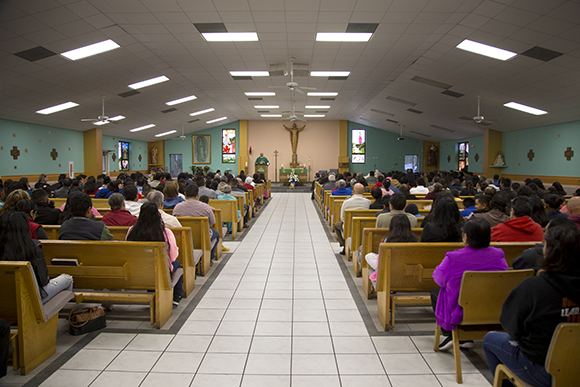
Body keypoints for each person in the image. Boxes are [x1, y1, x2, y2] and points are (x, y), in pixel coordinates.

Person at [483, 217, 580, 387]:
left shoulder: (535, 287)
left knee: (490, 339)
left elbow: (509, 324)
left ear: (548, 250)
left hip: (541, 367)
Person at [432, 218, 508, 350]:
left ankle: (451, 334)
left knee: (436, 291)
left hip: (461, 309)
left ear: (465, 237)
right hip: (494, 306)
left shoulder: (453, 257)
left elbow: (438, 279)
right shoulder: (499, 255)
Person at [0, 211, 73, 303]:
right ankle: (52, 313)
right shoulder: (33, 247)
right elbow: (43, 280)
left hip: (4, 298)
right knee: (67, 278)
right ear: (25, 227)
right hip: (32, 299)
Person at [126, 202, 183, 306]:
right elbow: (173, 255)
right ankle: (176, 297)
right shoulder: (165, 232)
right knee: (177, 265)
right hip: (160, 270)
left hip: (136, 269)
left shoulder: (132, 230)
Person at [365, 214, 419, 284]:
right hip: (408, 267)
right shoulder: (415, 240)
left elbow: (381, 258)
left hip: (390, 268)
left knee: (369, 256)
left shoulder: (387, 239)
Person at [173, 184, 223, 259]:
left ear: (185, 194)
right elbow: (212, 222)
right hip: (202, 237)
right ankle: (209, 259)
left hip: (183, 238)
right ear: (197, 194)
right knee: (216, 233)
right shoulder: (205, 207)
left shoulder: (177, 207)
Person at [333, 183, 371, 254]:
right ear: (363, 192)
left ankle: (344, 245)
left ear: (353, 191)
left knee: (337, 225)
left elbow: (342, 217)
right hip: (364, 226)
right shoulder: (368, 202)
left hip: (349, 227)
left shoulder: (347, 202)